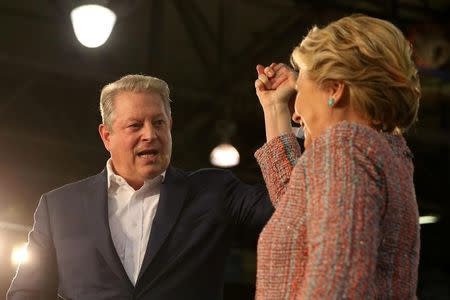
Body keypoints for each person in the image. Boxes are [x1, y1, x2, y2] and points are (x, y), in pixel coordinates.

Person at [7, 74, 273, 300]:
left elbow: (289, 207)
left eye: (158, 123)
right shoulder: (59, 207)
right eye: (135, 125)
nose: (150, 134)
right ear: (106, 136)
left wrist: (276, 111)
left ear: (169, 126)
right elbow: (27, 293)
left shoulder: (212, 191)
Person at [253, 14, 421, 299]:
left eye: (300, 90)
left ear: (334, 89)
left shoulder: (345, 148)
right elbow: (299, 207)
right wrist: (274, 109)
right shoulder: (385, 155)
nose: (296, 112)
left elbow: (336, 284)